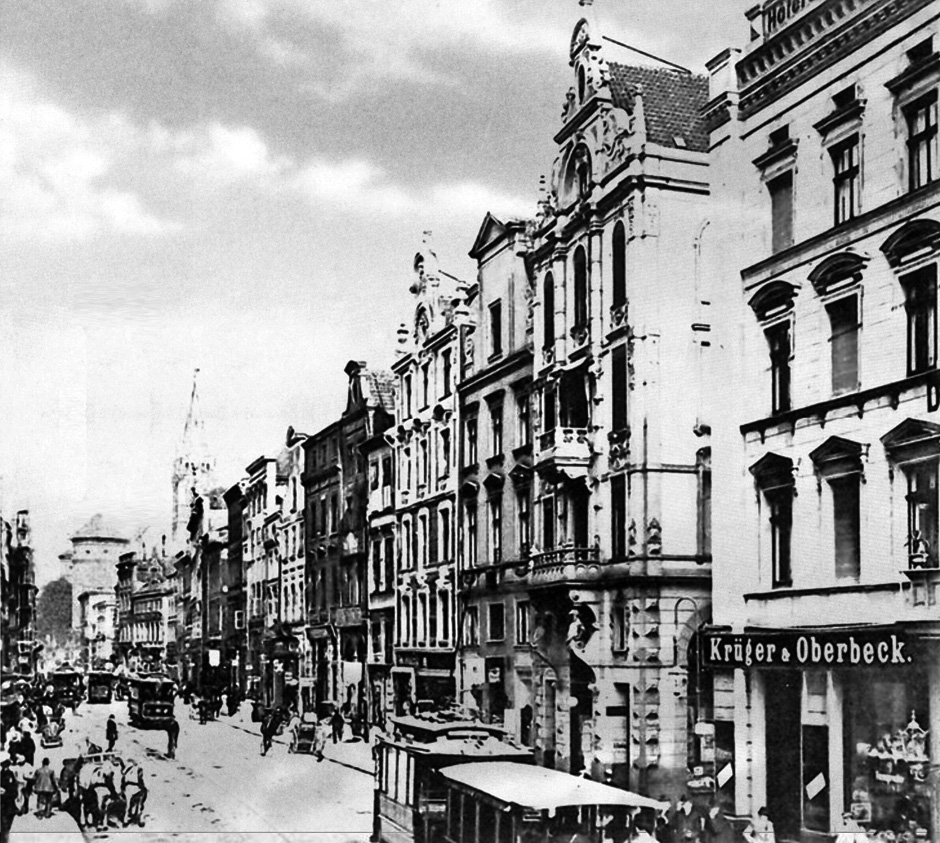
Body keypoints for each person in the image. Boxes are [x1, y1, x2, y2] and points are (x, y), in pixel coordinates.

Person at [1, 753, 17, 843]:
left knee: (5, 825)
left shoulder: (7, 774)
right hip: (7, 803)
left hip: (6, 803)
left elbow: (13, 789)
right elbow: (13, 790)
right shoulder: (8, 774)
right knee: (5, 825)